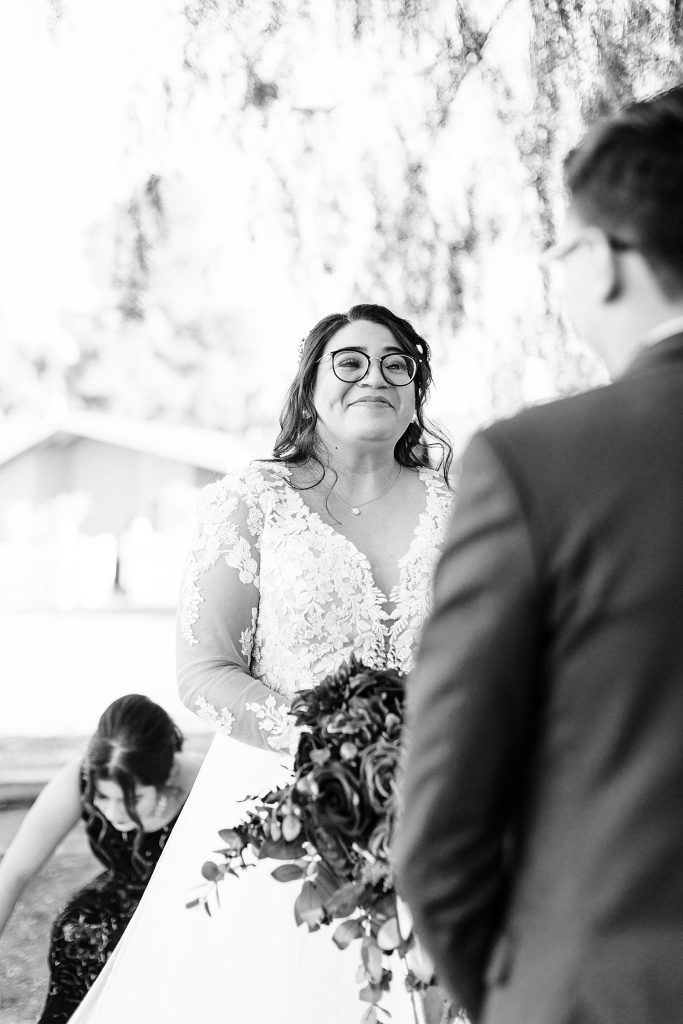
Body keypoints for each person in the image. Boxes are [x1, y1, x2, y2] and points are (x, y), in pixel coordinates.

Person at [67, 303, 454, 1024]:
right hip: (278, 809)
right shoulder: (252, 502)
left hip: (442, 800)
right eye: (350, 360)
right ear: (310, 387)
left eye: (396, 364)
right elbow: (204, 672)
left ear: (413, 395)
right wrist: (336, 749)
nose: (374, 375)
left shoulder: (461, 510)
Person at [394, 84, 683, 1024]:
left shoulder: (537, 463)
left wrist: (523, 997)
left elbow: (438, 836)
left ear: (600, 260)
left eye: (559, 250)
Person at [0, 694, 202, 1024]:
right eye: (103, 796)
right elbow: (14, 873)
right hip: (108, 905)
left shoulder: (202, 783)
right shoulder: (81, 776)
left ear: (165, 777)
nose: (114, 811)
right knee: (80, 928)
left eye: (133, 798)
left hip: (178, 916)